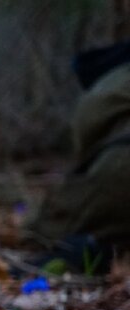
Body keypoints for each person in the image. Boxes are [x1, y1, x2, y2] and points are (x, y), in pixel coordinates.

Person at [30, 40, 130, 268]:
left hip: (119, 169)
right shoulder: (114, 82)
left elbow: (86, 136)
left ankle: (100, 254)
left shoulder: (110, 85)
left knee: (43, 227)